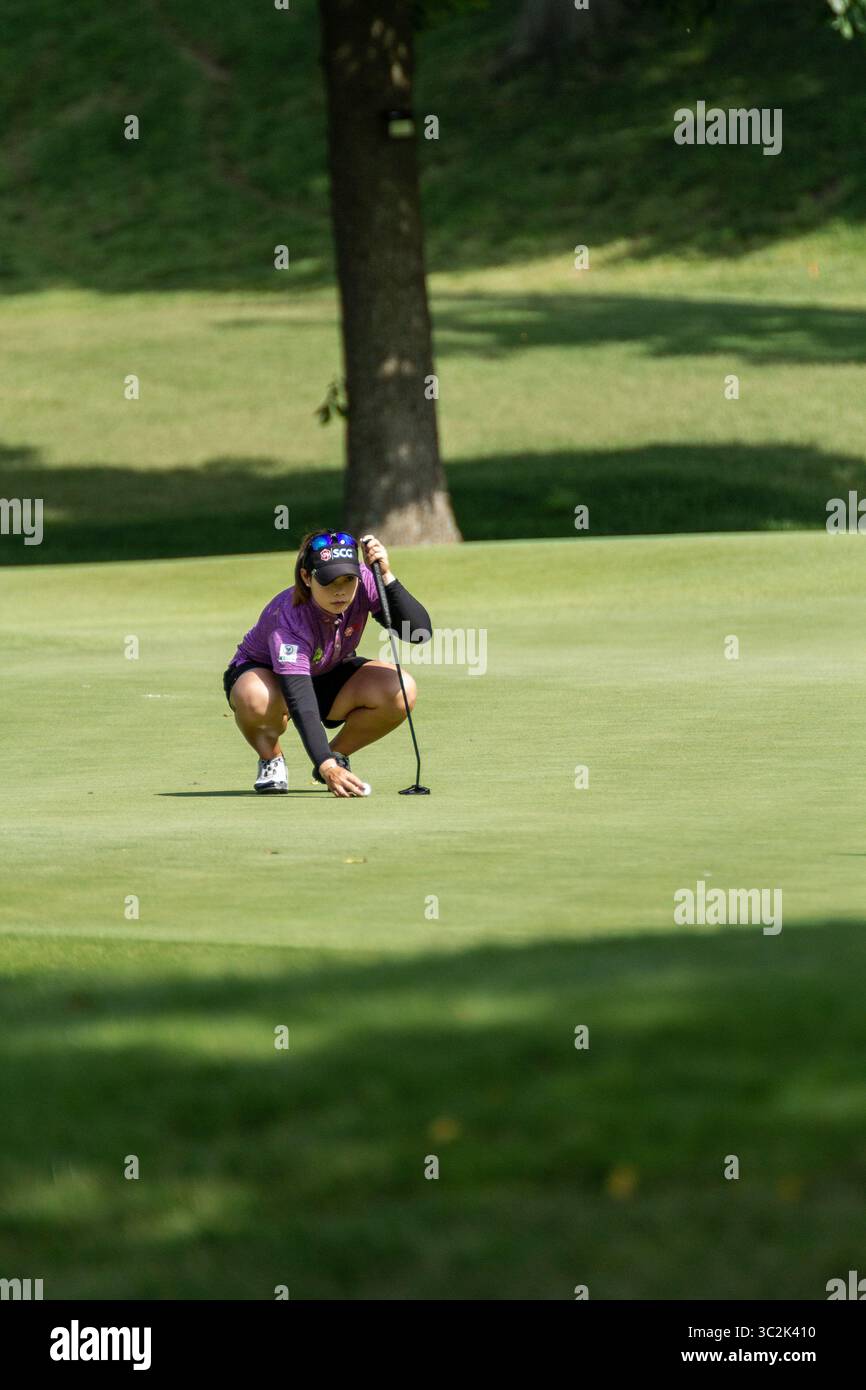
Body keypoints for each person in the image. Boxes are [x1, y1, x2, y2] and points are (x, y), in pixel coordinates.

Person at [222, 531, 432, 797]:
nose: (340, 590)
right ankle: (271, 758)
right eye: (328, 581)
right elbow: (301, 701)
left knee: (401, 689)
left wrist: (386, 576)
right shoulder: (288, 617)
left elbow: (419, 632)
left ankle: (338, 753)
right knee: (255, 697)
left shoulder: (365, 584)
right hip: (268, 678)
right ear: (307, 578)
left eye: (348, 579)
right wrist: (324, 766)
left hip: (327, 671)